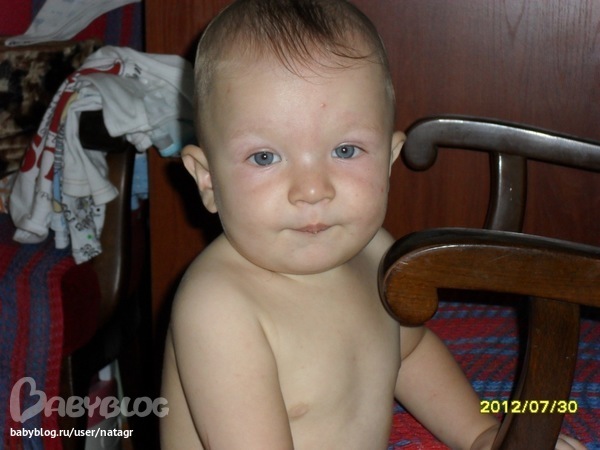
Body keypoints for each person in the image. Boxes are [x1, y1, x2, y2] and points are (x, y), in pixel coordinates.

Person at [160, 0, 586, 448]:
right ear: (208, 181)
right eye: (264, 157)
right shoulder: (218, 307)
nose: (312, 190)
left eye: (345, 151)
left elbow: (411, 354)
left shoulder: (376, 252)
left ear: (389, 159)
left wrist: (480, 434)